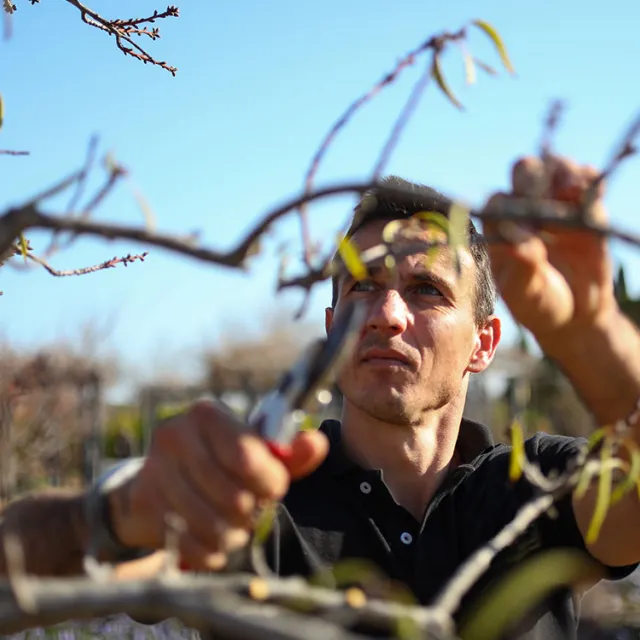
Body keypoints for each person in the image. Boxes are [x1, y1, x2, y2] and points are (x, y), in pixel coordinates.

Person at [2, 154, 640, 639]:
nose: (386, 313)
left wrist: (591, 332)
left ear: (484, 343)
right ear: (331, 324)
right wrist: (122, 514)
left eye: (427, 291)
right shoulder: (259, 500)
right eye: (361, 287)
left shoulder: (542, 488)